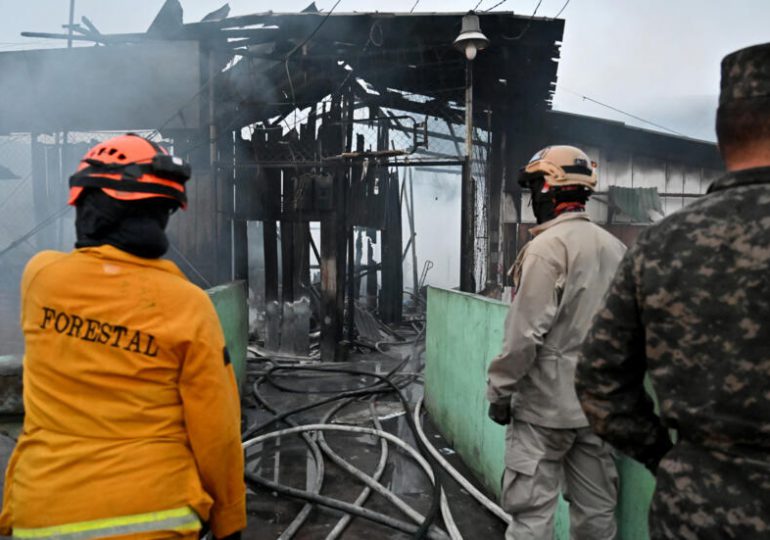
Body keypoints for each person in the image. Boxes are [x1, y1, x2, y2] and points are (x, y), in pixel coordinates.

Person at [0, 134, 246, 539]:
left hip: (43, 515)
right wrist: (230, 520)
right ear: (162, 215)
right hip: (158, 516)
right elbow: (217, 431)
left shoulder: (39, 279)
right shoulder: (187, 305)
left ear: (86, 206)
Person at [576, 42, 770, 539]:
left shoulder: (662, 245)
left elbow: (600, 382)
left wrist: (672, 459)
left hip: (695, 514)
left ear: (723, 133)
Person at [486, 145, 626, 540]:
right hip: (598, 410)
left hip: (543, 412)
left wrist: (500, 392)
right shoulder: (616, 249)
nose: (533, 198)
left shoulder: (547, 249)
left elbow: (523, 334)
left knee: (532, 517)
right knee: (597, 515)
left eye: (535, 188)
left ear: (550, 187)